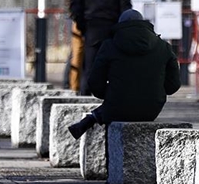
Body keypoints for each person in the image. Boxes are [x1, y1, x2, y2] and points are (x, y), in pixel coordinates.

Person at [68, 9, 181, 139]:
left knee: (113, 110)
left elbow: (94, 83)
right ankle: (94, 117)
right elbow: (173, 86)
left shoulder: (109, 46)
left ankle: (93, 120)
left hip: (116, 107)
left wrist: (111, 94)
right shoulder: (163, 47)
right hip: (151, 109)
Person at [71, 0, 132, 95]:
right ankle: (110, 100)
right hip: (112, 30)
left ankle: (85, 99)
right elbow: (126, 9)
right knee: (112, 68)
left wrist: (82, 27)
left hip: (90, 29)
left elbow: (76, 8)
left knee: (89, 67)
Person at [64, 0, 96, 91]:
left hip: (77, 20)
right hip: (96, 21)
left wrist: (74, 16)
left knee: (76, 54)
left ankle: (74, 87)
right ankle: (92, 87)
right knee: (94, 53)